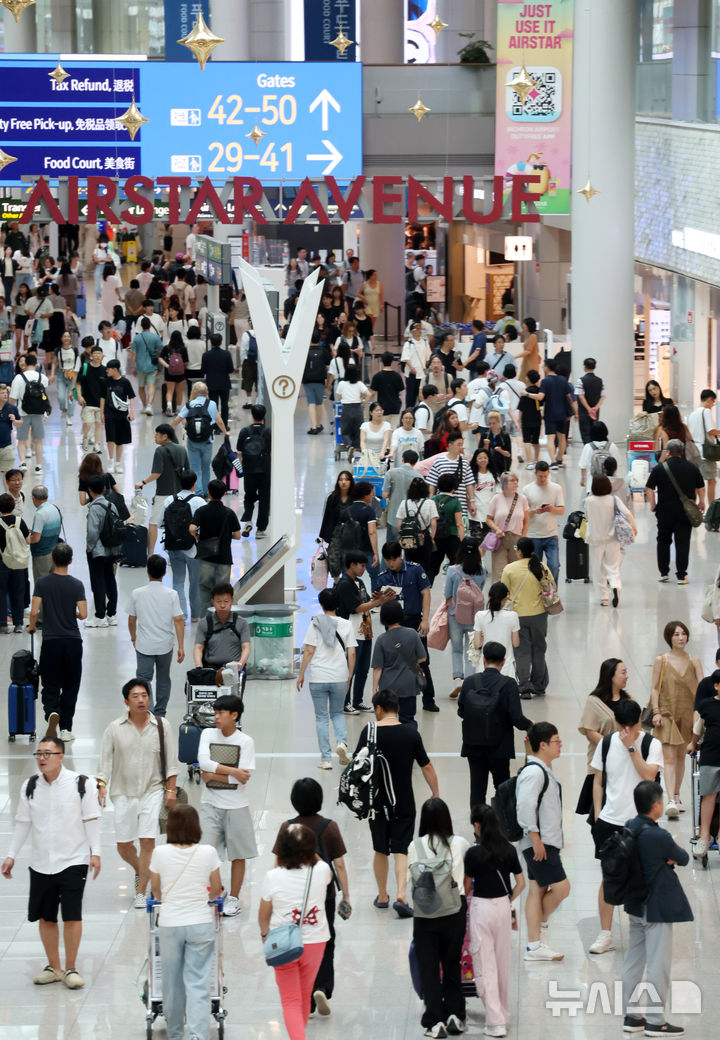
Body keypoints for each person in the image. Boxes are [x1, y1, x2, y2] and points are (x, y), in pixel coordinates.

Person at [1, 734, 101, 991]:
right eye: (39, 754)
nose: (42, 758)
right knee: (46, 917)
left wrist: (96, 852)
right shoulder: (30, 786)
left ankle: (71, 968)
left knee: (72, 915)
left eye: (48, 753)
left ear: (61, 756)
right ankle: (54, 967)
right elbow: (23, 822)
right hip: (41, 862)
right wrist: (11, 854)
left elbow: (91, 819)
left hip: (74, 860)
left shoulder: (81, 783)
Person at [589, 699, 664, 956]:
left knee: (643, 879)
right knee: (608, 878)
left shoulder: (651, 744)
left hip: (642, 824)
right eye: (624, 726)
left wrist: (632, 748)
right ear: (617, 723)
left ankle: (643, 933)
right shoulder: (606, 743)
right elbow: (597, 781)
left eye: (632, 726)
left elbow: (649, 775)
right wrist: (598, 815)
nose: (628, 731)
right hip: (609, 822)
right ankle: (605, 933)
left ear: (639, 722)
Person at [354, 689, 439, 916]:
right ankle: (401, 894)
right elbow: (426, 765)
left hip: (375, 802)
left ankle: (383, 896)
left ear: (379, 709)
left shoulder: (369, 732)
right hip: (403, 800)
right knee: (401, 849)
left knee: (380, 849)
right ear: (398, 708)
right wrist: (435, 792)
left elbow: (357, 764)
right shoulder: (410, 733)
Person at [272, 778, 351, 1019]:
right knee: (325, 940)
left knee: (298, 942)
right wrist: (346, 896)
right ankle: (321, 987)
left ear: (294, 801)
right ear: (319, 799)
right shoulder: (329, 827)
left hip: (292, 896)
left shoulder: (287, 827)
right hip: (323, 895)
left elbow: (277, 863)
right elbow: (339, 864)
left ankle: (305, 995)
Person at [97, 678, 179, 908]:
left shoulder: (161, 726)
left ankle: (141, 891)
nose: (141, 700)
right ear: (127, 701)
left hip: (153, 790)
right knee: (123, 845)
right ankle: (142, 870)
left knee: (147, 841)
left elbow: (172, 762)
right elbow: (105, 762)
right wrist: (101, 785)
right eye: (135, 696)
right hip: (123, 792)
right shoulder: (114, 728)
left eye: (144, 695)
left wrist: (170, 790)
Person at [621, 780, 693, 1037]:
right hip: (656, 907)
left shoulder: (629, 827)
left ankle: (632, 1017)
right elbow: (683, 857)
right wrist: (666, 858)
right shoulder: (658, 835)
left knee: (633, 961)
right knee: (657, 965)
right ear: (655, 805)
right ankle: (655, 1021)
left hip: (634, 905)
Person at [149, 805, 222, 1040]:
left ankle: (175, 1033)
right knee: (198, 982)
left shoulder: (160, 853)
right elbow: (217, 889)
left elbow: (156, 890)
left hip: (170, 923)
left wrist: (164, 898)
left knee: (171, 983)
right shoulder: (208, 852)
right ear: (196, 826)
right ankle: (198, 1035)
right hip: (200, 921)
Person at [259, 824, 331, 1040]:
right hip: (315, 942)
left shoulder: (272, 876)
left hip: (282, 943)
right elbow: (322, 865)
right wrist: (308, 849)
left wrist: (265, 935)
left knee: (290, 1000)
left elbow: (263, 915)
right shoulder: (322, 870)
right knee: (304, 994)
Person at [407, 798, 469, 1039]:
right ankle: (455, 1014)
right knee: (452, 962)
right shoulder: (460, 843)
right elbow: (466, 878)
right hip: (454, 911)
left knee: (429, 967)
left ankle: (434, 1021)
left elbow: (410, 881)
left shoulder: (414, 846)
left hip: (425, 913)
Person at [464, 803, 526, 1039]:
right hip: (502, 908)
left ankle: (495, 1021)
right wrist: (507, 899)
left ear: (478, 825)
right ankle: (502, 1012)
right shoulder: (509, 850)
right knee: (502, 965)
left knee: (485, 964)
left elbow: (466, 888)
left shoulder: (473, 854)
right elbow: (521, 883)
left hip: (481, 909)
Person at [197, 693, 257, 917]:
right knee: (206, 851)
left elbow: (242, 778)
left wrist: (212, 775)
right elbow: (203, 762)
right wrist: (232, 771)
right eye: (215, 713)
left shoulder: (245, 741)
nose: (216, 717)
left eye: (221, 713)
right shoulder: (207, 734)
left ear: (234, 715)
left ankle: (234, 897)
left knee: (238, 854)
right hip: (210, 803)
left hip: (237, 805)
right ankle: (216, 891)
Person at [517, 721, 570, 961]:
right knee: (562, 888)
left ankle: (534, 945)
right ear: (543, 745)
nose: (560, 745)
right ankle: (539, 930)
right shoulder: (534, 772)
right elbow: (525, 806)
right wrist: (535, 838)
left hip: (543, 841)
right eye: (556, 741)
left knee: (537, 890)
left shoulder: (541, 769)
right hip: (540, 843)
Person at [458, 641, 532, 808]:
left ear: (484, 659)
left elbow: (461, 712)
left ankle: (478, 823)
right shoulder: (509, 684)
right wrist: (530, 725)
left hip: (473, 745)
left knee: (477, 789)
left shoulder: (469, 682)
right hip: (500, 746)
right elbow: (516, 718)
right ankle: (503, 821)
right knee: (502, 787)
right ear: (503, 661)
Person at [373, 541, 439, 712]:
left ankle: (428, 699)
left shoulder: (415, 570)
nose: (390, 563)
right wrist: (378, 598)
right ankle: (393, 698)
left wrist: (425, 619)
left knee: (422, 661)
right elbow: (378, 602)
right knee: (393, 661)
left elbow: (426, 593)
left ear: (400, 556)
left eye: (393, 559)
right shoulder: (383, 576)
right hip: (392, 624)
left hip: (414, 621)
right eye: (387, 560)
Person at [649, 620, 703, 819]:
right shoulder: (661, 660)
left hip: (689, 713)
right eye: (676, 634)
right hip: (666, 714)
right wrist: (656, 711)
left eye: (683, 634)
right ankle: (670, 799)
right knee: (669, 758)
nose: (681, 638)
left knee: (680, 757)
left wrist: (702, 713)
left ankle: (677, 795)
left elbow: (702, 688)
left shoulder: (694, 661)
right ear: (669, 638)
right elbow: (655, 688)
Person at [297, 588, 355, 769]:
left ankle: (326, 759)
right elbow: (352, 653)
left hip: (318, 677)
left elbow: (309, 651)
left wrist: (301, 674)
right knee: (337, 713)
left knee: (321, 717)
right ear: (338, 604)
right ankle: (342, 743)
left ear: (321, 605)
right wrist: (349, 675)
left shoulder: (315, 623)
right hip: (339, 676)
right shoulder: (347, 624)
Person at [128, 555, 184, 717]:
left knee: (144, 680)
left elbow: (131, 620)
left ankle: (149, 711)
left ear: (147, 571)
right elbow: (178, 620)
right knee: (163, 678)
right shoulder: (172, 594)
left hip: (144, 644)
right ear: (165, 572)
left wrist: (134, 638)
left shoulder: (137, 593)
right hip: (165, 645)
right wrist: (181, 646)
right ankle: (160, 713)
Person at [645, 438, 705, 584]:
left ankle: (664, 573)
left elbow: (649, 487)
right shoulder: (692, 467)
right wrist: (701, 502)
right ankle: (681, 576)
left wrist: (653, 504)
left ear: (668, 452)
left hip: (664, 511)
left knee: (663, 540)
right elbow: (701, 487)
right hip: (685, 512)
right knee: (682, 542)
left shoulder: (660, 468)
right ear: (682, 452)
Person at [576, 658, 630, 817]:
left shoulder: (629, 700)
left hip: (624, 759)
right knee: (600, 805)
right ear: (611, 676)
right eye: (623, 672)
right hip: (601, 759)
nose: (627, 676)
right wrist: (611, 745)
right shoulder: (594, 701)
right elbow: (589, 730)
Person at [501, 538, 552, 700]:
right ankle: (539, 685)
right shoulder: (541, 567)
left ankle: (524, 686)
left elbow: (503, 592)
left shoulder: (510, 569)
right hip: (539, 615)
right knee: (539, 649)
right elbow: (552, 587)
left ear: (520, 551)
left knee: (521, 651)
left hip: (518, 616)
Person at [335, 551, 384, 714]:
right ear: (352, 565)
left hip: (365, 631)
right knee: (351, 669)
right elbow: (356, 608)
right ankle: (345, 702)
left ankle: (358, 701)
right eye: (362, 565)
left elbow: (366, 600)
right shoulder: (344, 584)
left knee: (363, 669)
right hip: (351, 633)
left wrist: (376, 598)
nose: (364, 568)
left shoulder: (360, 582)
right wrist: (378, 602)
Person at [134, 424, 189, 555]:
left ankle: (151, 554)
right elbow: (187, 471)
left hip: (163, 493)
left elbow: (156, 473)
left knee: (153, 523)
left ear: (165, 436)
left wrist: (142, 482)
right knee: (175, 523)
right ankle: (173, 553)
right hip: (180, 493)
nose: (155, 437)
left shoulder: (160, 451)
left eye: (157, 434)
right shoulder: (182, 449)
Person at [371, 598, 426, 725]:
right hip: (408, 685)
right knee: (408, 719)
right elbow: (422, 658)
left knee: (388, 720)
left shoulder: (381, 640)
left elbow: (378, 668)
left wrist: (374, 689)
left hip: (388, 688)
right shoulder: (412, 634)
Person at [584, 474, 637, 607]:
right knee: (613, 566)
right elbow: (627, 513)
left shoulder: (589, 501)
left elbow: (587, 517)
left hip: (595, 539)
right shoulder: (614, 499)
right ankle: (615, 585)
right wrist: (634, 527)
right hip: (612, 539)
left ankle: (604, 597)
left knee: (598, 569)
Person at [190, 482, 242, 613]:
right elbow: (237, 535)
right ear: (224, 493)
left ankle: (205, 619)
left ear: (208, 492)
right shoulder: (229, 513)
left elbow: (192, 528)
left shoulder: (201, 511)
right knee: (222, 593)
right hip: (224, 558)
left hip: (206, 557)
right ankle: (220, 619)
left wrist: (198, 536)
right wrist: (226, 535)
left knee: (204, 590)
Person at [163, 468, 206, 622]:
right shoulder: (199, 501)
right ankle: (195, 615)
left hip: (173, 546)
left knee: (178, 581)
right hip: (193, 548)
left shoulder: (169, 500)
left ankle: (180, 615)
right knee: (195, 582)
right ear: (194, 484)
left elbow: (162, 523)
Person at [444, 538, 485, 694]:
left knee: (456, 649)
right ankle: (469, 682)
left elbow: (447, 594)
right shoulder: (482, 571)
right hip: (475, 617)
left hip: (455, 615)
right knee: (471, 651)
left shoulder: (452, 570)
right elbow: (480, 590)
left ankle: (457, 681)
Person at [687, 668, 720, 859]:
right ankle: (704, 836)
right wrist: (692, 743)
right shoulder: (706, 705)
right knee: (708, 795)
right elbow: (698, 728)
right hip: (710, 756)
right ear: (716, 686)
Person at [173, 381, 226, 495]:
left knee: (195, 467)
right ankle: (206, 491)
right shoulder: (212, 404)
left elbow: (177, 420)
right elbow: (219, 420)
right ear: (207, 392)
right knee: (206, 467)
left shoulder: (189, 404)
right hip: (207, 440)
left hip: (192, 440)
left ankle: (198, 492)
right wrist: (226, 432)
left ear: (194, 392)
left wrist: (169, 431)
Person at [84, 475, 119, 628]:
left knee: (98, 582)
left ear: (90, 490)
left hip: (97, 552)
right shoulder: (112, 505)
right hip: (111, 550)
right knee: (110, 580)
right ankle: (112, 614)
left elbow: (93, 532)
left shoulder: (94, 508)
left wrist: (89, 548)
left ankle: (100, 616)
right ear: (104, 488)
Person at [193, 583, 251, 672]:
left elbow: (246, 647)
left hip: (234, 668)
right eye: (219, 601)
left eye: (226, 601)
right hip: (211, 669)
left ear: (232, 601)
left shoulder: (242, 623)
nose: (222, 605)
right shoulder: (204, 624)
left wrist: (241, 664)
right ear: (213, 601)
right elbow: (198, 647)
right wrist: (198, 665)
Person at [523, 460, 564, 583]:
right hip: (533, 535)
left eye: (545, 476)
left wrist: (552, 509)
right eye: (540, 476)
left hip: (551, 534)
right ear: (535, 473)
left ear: (548, 473)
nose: (543, 479)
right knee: (535, 569)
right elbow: (523, 514)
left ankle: (553, 591)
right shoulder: (527, 490)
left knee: (554, 566)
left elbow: (561, 510)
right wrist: (535, 511)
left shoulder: (556, 488)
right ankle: (537, 591)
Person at [484, 472, 529, 583]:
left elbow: (526, 521)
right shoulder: (496, 498)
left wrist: (523, 539)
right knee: (499, 573)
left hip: (516, 538)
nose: (515, 483)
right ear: (504, 483)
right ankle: (498, 593)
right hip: (500, 538)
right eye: (512, 480)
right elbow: (488, 519)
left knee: (516, 572)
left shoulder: (522, 499)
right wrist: (497, 529)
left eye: (516, 480)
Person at [9, 352, 48, 474]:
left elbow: (13, 398)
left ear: (25, 364)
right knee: (38, 440)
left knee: (21, 439)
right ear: (36, 364)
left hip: (22, 412)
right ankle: (38, 467)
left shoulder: (18, 378)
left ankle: (22, 463)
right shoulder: (43, 378)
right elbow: (43, 395)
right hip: (38, 413)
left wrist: (11, 411)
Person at [473, 582, 521, 680]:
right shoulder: (513, 616)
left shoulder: (479, 615)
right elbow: (516, 643)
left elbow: (477, 644)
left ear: (489, 596)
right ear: (505, 599)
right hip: (506, 665)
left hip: (485, 665)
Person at [237, 404, 272, 539]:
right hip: (264, 470)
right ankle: (261, 530)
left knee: (249, 496)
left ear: (252, 415)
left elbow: (239, 451)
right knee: (264, 499)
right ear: (264, 415)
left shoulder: (245, 431)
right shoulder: (268, 432)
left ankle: (248, 520)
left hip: (249, 469)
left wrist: (243, 465)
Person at [426, 432, 476, 522]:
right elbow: (432, 484)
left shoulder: (465, 463)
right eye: (458, 444)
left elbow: (469, 484)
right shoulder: (438, 462)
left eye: (462, 445)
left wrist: (472, 501)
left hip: (461, 507)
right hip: (442, 507)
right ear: (450, 445)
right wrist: (430, 501)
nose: (461, 447)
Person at [535, 358, 574, 467]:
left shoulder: (545, 381)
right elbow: (568, 397)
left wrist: (527, 394)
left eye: (543, 365)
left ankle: (553, 461)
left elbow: (540, 397)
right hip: (562, 413)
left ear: (547, 367)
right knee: (562, 437)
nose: (542, 367)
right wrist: (571, 412)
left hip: (550, 413)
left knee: (551, 438)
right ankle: (560, 459)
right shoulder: (563, 379)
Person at [0, 490, 29, 632]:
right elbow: (28, 540)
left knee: (1, 593)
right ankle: (18, 624)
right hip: (18, 563)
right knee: (18, 592)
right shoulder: (20, 521)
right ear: (13, 506)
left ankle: (3, 624)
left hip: (2, 563)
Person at [99, 358, 135, 474]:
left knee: (120, 440)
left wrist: (131, 412)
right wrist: (101, 413)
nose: (106, 371)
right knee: (110, 439)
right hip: (109, 414)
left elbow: (131, 397)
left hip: (122, 415)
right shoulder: (105, 382)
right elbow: (102, 398)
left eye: (108, 369)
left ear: (115, 369)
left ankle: (118, 463)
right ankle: (111, 461)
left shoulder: (125, 382)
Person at [395, 475, 437, 573]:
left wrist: (404, 534)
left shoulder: (404, 503)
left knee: (409, 565)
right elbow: (433, 523)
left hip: (408, 539)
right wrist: (432, 537)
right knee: (424, 566)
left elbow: (399, 525)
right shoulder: (430, 503)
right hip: (424, 537)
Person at [429, 473, 466, 582]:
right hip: (452, 538)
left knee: (432, 568)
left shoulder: (432, 500)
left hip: (435, 538)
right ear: (453, 488)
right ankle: (455, 588)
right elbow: (459, 524)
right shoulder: (455, 502)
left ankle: (426, 589)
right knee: (457, 567)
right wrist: (462, 542)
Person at [686, 388, 718, 503]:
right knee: (711, 481)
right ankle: (711, 509)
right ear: (709, 399)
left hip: (694, 453)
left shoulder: (692, 414)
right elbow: (711, 430)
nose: (712, 405)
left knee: (696, 483)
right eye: (713, 402)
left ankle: (694, 507)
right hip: (706, 452)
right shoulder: (706, 411)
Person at [382, 450, 419, 542]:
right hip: (411, 518)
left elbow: (384, 495)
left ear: (402, 459)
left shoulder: (391, 473)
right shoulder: (419, 477)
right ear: (415, 462)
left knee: (391, 545)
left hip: (393, 515)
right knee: (409, 544)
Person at [27, 484, 62, 583]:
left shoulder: (40, 514)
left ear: (34, 498)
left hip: (41, 555)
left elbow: (36, 539)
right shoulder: (54, 508)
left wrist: (24, 539)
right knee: (52, 583)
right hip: (54, 551)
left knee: (42, 584)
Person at [200, 332, 234, 426]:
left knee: (213, 406)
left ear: (211, 342)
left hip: (211, 384)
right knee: (225, 405)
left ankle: (215, 425)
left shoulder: (206, 355)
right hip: (224, 383)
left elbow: (203, 370)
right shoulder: (226, 354)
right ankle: (224, 425)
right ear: (221, 342)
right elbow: (231, 369)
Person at [336, 363, 369, 459]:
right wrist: (363, 403)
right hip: (357, 408)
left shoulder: (342, 384)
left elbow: (339, 397)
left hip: (346, 408)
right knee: (358, 430)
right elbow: (369, 394)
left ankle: (349, 445)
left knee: (345, 430)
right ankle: (356, 447)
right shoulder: (359, 384)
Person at [129, 315, 161, 415]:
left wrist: (133, 367)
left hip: (140, 366)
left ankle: (144, 406)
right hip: (152, 365)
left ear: (141, 326)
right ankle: (149, 406)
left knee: (141, 387)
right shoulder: (155, 337)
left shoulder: (137, 338)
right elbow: (160, 351)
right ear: (150, 325)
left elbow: (133, 354)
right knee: (151, 385)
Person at [574, 358, 606, 445]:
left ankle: (588, 450)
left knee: (585, 433)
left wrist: (589, 409)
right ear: (595, 367)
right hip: (595, 411)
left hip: (583, 411)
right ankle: (595, 449)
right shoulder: (600, 381)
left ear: (584, 367)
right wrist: (596, 408)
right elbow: (603, 396)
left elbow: (581, 397)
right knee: (595, 431)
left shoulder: (580, 380)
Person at [369, 351, 404, 427]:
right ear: (392, 361)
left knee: (383, 429)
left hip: (382, 408)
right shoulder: (397, 376)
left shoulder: (377, 376)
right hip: (395, 407)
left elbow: (373, 393)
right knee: (393, 429)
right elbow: (401, 392)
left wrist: (366, 402)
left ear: (382, 361)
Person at [401, 321, 431, 408]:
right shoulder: (408, 344)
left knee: (422, 395)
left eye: (420, 329)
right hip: (412, 374)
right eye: (417, 329)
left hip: (422, 374)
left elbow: (428, 357)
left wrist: (427, 367)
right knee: (411, 396)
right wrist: (411, 368)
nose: (419, 331)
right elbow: (406, 357)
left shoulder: (425, 342)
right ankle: (409, 411)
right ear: (412, 331)